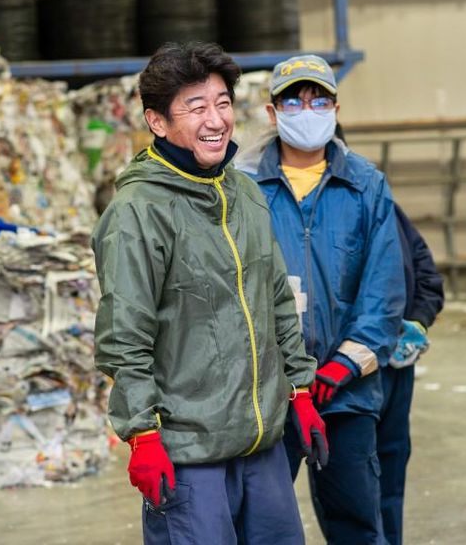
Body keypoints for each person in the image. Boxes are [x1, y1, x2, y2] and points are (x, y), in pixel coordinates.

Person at [92, 41, 328, 544]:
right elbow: (124, 335)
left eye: (222, 103)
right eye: (196, 107)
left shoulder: (243, 193)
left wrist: (300, 390)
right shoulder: (138, 212)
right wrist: (143, 434)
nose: (215, 119)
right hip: (188, 453)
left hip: (260, 446)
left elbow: (277, 302)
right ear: (157, 122)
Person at [239, 54, 406, 544]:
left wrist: (344, 366)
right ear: (272, 113)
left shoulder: (365, 184)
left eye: (318, 99)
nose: (306, 109)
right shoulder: (243, 186)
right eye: (293, 100)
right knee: (263, 528)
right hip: (268, 396)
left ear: (336, 108)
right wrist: (281, 374)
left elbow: (383, 290)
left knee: (356, 522)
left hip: (345, 394)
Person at [378, 204, 444, 544]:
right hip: (340, 369)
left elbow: (429, 277)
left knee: (391, 465)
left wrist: (417, 320)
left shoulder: (381, 202)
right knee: (346, 480)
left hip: (394, 365)